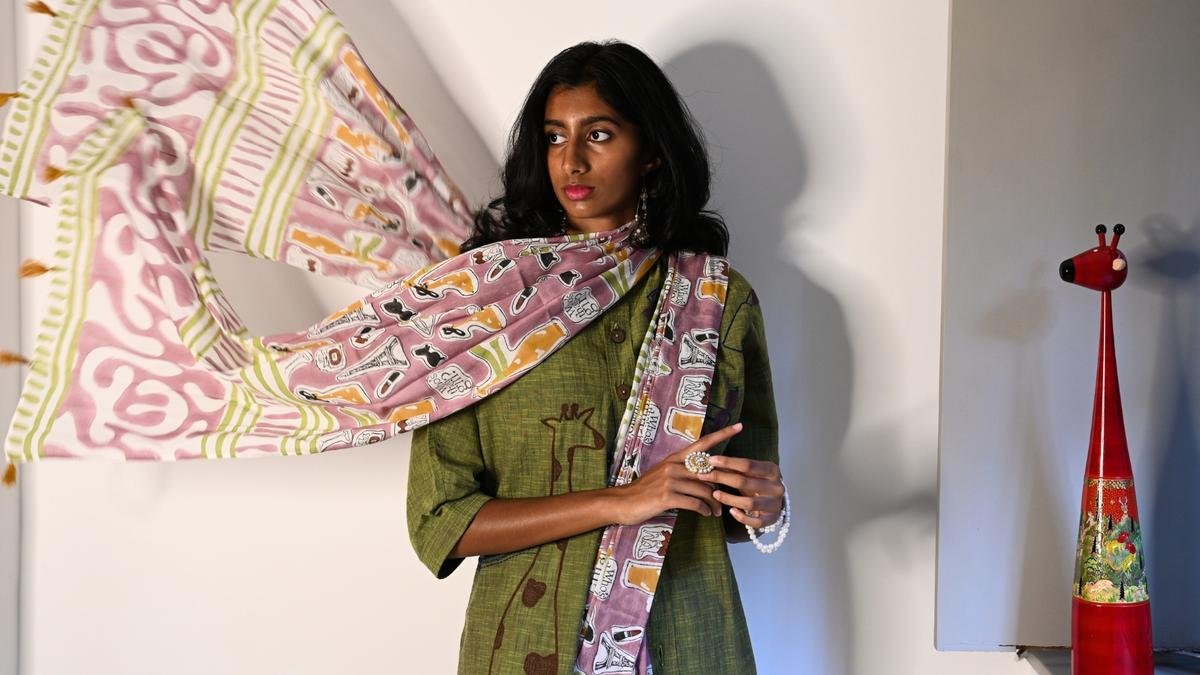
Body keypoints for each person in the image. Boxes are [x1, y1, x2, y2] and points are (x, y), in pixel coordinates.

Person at [407, 42, 784, 675]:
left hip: (690, 641)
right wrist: (620, 500)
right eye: (555, 137)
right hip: (526, 646)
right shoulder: (487, 305)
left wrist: (764, 506)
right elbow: (441, 520)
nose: (571, 160)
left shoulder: (718, 299)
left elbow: (736, 501)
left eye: (599, 134)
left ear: (652, 150)